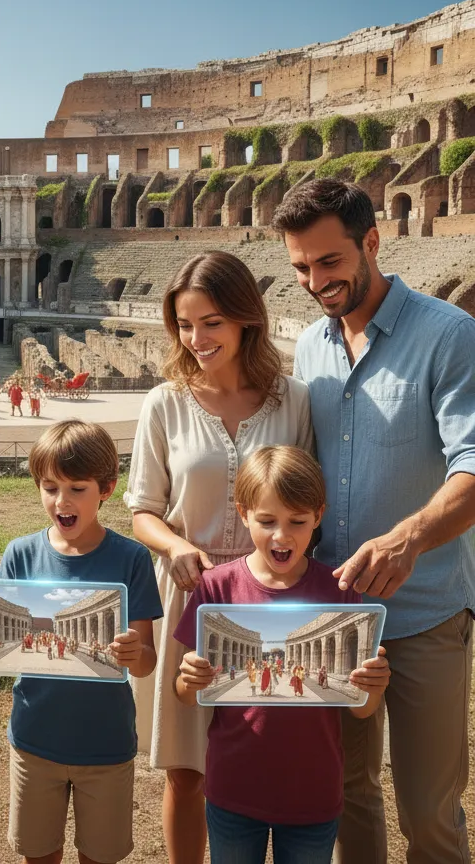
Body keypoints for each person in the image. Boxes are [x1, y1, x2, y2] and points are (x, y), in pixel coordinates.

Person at [271, 179, 475, 864]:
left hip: (424, 612)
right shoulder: (310, 349)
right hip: (335, 612)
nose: (314, 281)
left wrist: (409, 536)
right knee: (348, 795)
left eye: (329, 262)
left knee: (429, 810)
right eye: (301, 267)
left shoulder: (450, 336)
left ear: (372, 243)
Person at [125, 250, 313, 864]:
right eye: (185, 324)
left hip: (273, 597)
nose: (197, 338)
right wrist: (177, 545)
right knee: (188, 770)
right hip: (191, 593)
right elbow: (143, 510)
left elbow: (306, 499)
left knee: (269, 754)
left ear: (244, 319)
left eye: (211, 322)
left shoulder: (294, 400)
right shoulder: (164, 403)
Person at [0, 419, 163, 864]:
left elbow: (146, 661)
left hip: (105, 742)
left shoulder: (132, 558)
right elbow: (0, 645)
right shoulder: (19, 552)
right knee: (38, 852)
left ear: (106, 488)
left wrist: (134, 653)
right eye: (50, 487)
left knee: (100, 855)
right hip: (35, 737)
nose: (62, 501)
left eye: (77, 488)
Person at [174, 445, 390, 864]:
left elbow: (361, 710)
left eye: (298, 521)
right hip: (233, 788)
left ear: (319, 516)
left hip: (313, 792)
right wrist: (189, 678)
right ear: (243, 513)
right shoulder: (215, 588)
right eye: (267, 520)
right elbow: (184, 694)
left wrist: (373, 687)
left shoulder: (340, 592)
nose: (281, 535)